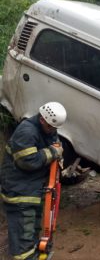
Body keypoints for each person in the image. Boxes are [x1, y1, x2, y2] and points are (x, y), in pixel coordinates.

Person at [0, 102, 66, 260]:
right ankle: (25, 257)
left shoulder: (47, 129)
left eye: (54, 128)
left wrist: (59, 157)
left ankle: (34, 253)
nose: (53, 130)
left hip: (32, 189)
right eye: (51, 127)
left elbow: (55, 143)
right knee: (24, 233)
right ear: (43, 119)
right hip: (19, 192)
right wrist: (52, 153)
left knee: (32, 227)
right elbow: (27, 161)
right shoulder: (27, 131)